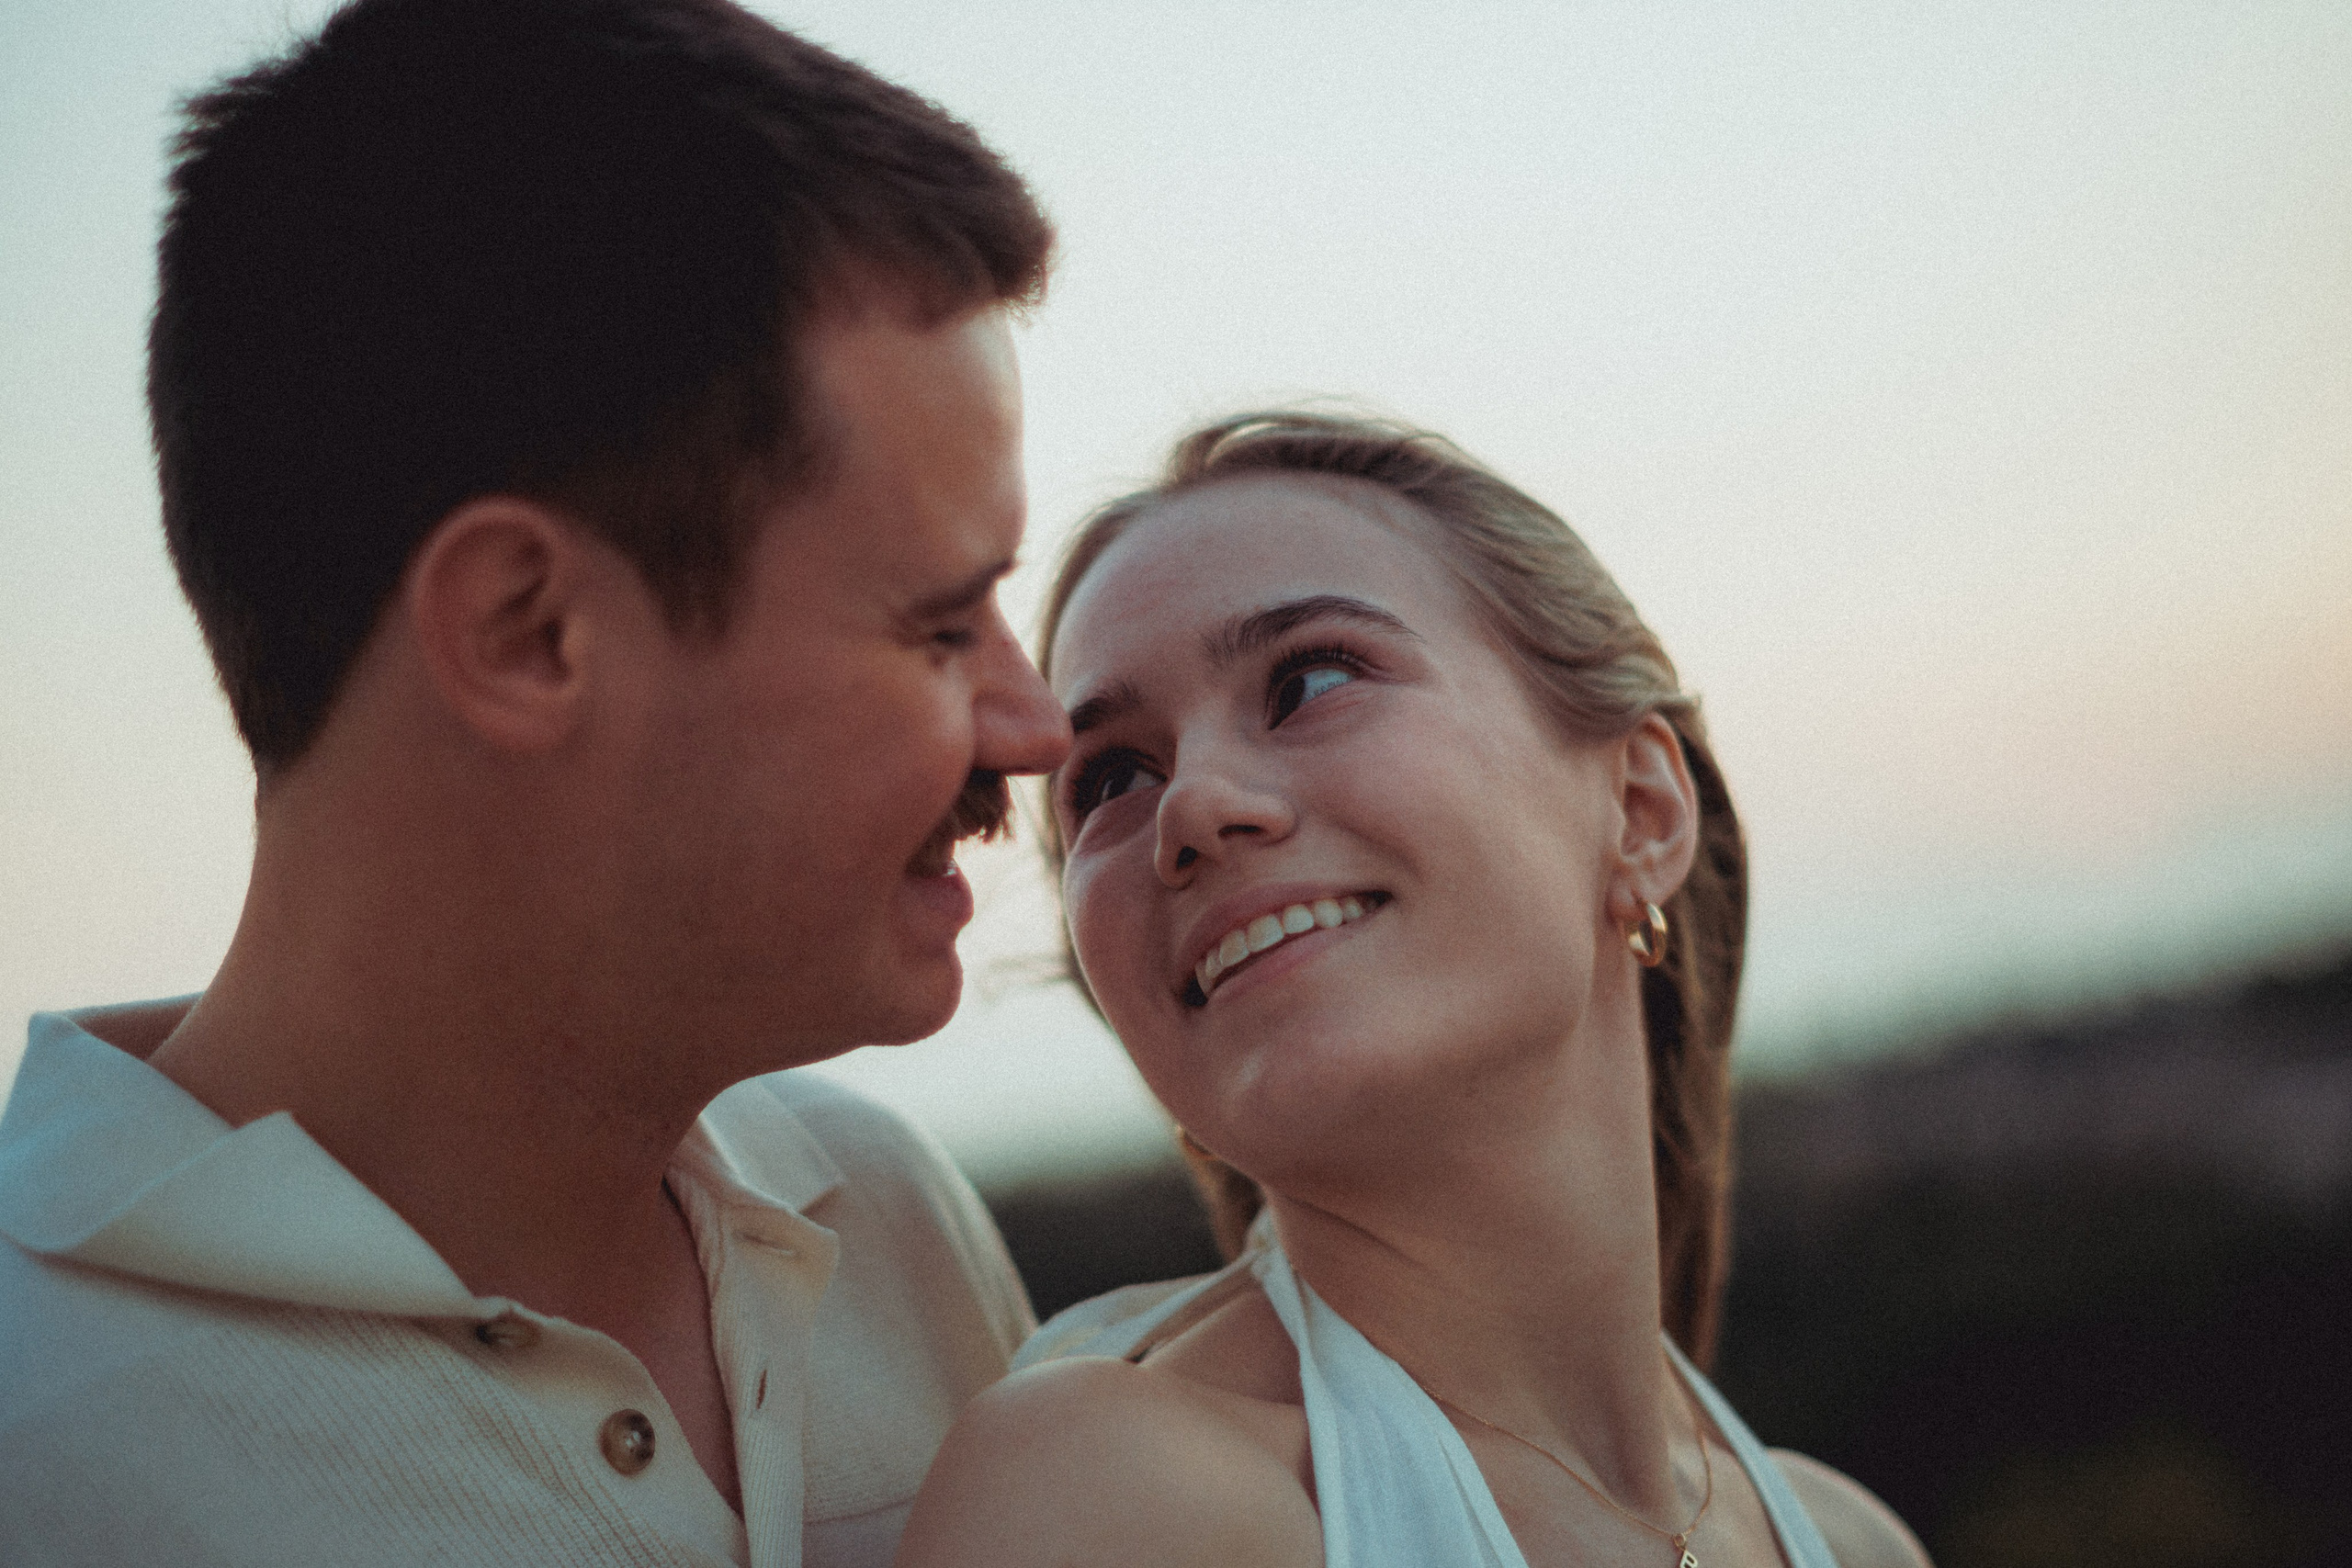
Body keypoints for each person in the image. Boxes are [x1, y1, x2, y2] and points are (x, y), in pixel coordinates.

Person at [0, 1, 1070, 1563]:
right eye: (937, 623)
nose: (1035, 722)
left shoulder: (886, 1215)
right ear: (527, 631)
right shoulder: (41, 1438)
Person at [895, 412, 1932, 1567]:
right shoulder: (1112, 1501)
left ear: (1639, 811)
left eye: (1310, 679)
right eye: (1112, 778)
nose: (1190, 807)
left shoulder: (1855, 1542)